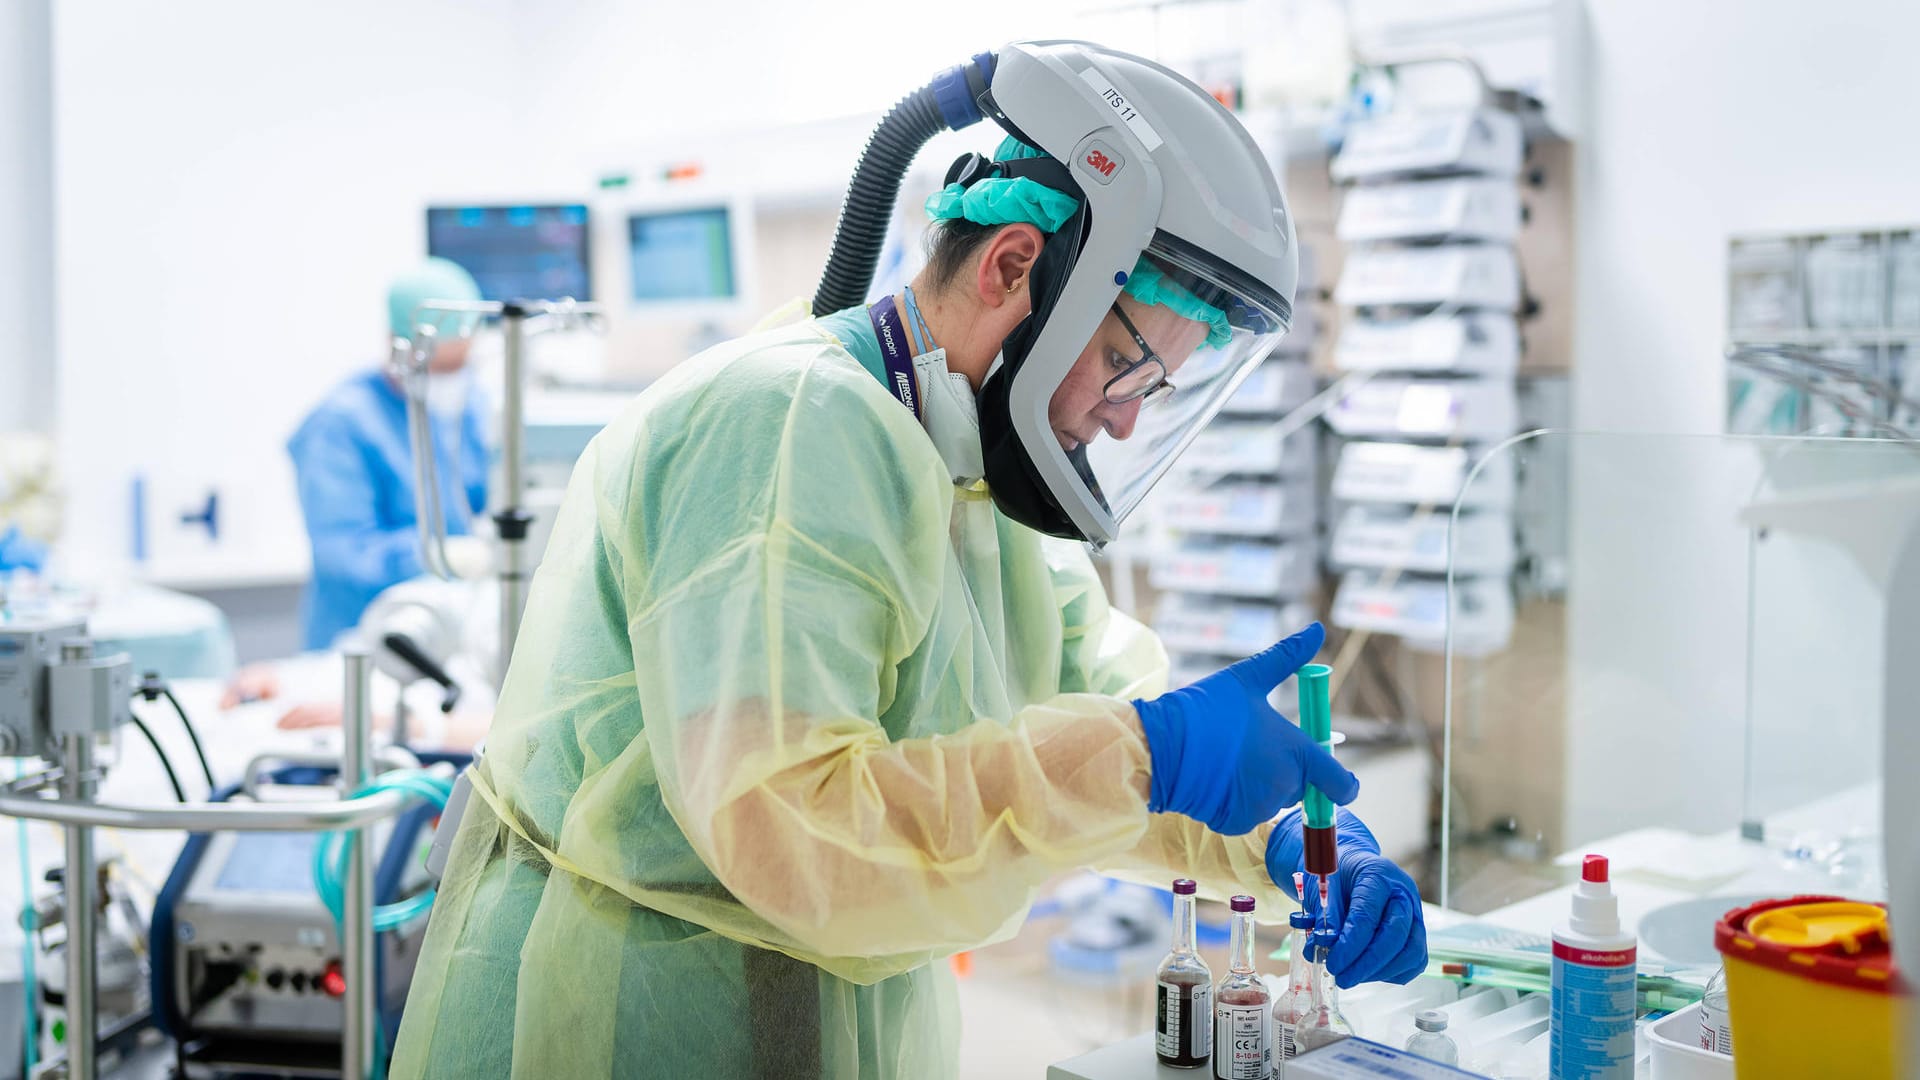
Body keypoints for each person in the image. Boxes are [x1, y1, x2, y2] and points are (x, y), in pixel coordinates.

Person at [391, 43, 1424, 1080]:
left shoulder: (975, 464)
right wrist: (1150, 753)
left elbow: (1104, 705)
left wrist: (1288, 838)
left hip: (831, 1006)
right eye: (1121, 367)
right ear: (1013, 267)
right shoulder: (788, 425)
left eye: (1145, 393)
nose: (1117, 426)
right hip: (644, 1016)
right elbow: (795, 830)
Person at [286, 257, 491, 650]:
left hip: (453, 630)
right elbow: (345, 553)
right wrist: (435, 555)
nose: (451, 379)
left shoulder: (471, 409)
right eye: (440, 367)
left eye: (460, 365)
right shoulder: (341, 425)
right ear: (398, 347)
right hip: (361, 639)